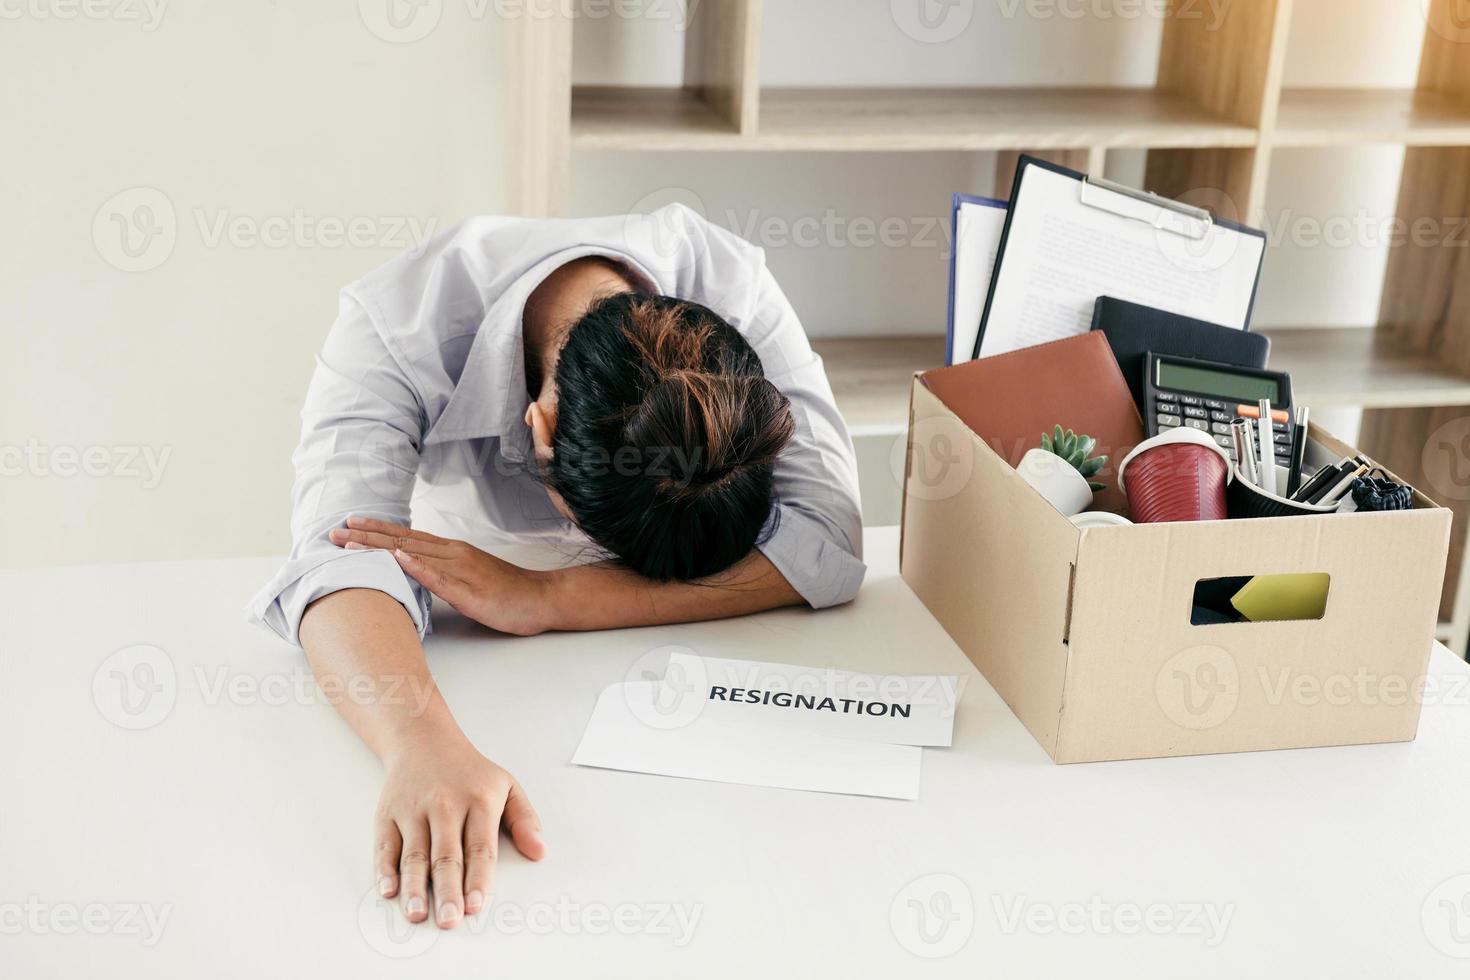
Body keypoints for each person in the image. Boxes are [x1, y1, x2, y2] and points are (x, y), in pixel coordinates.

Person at [246, 204, 865, 930]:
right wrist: (419, 743)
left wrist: (555, 595)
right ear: (536, 431)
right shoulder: (394, 326)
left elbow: (829, 538)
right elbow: (336, 557)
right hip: (477, 631)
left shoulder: (732, 286)